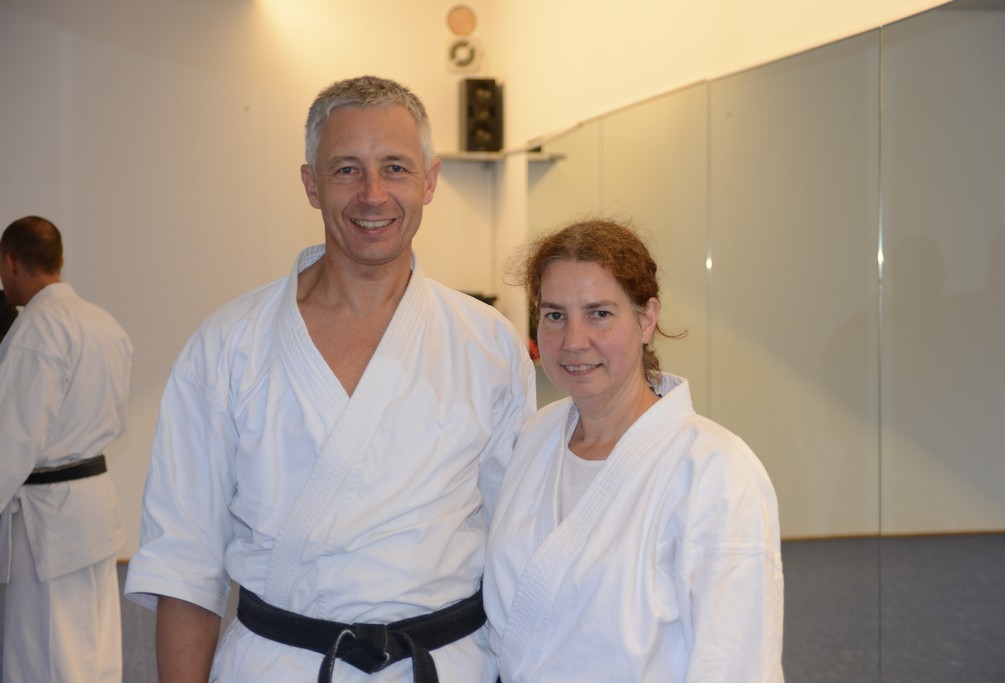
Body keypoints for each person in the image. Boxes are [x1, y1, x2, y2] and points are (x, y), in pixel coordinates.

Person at [124, 75, 535, 682]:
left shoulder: (488, 344)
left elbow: (517, 551)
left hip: (447, 665)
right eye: (346, 170)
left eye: (395, 167)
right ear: (311, 184)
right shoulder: (228, 345)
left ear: (429, 181)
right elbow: (184, 563)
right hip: (279, 664)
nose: (373, 195)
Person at [484, 219, 785, 682]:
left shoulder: (716, 470)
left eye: (600, 313)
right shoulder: (535, 437)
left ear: (647, 319)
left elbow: (736, 663)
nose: (573, 341)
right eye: (555, 315)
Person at [0, 215, 133, 683]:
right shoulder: (104, 324)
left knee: (49, 653)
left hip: (49, 521)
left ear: (11, 263)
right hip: (93, 507)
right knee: (97, 646)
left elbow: (12, 443)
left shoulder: (35, 331)